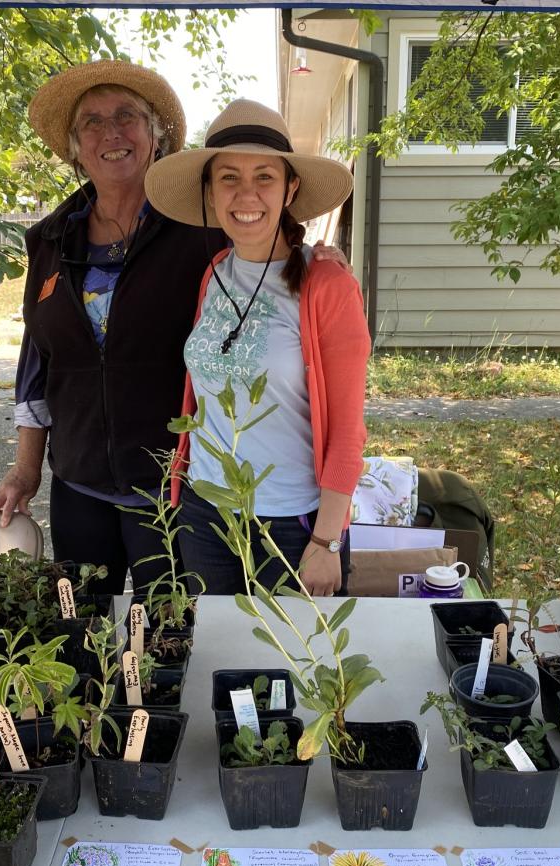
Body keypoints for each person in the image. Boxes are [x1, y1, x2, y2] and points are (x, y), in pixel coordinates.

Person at [0, 63, 347, 596]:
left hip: (173, 490)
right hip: (78, 484)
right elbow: (37, 363)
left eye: (127, 116)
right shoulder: (50, 241)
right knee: (85, 633)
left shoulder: (202, 233)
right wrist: (24, 470)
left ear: (156, 136)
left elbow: (264, 238)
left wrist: (319, 261)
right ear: (75, 148)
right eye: (92, 122)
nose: (111, 133)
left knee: (174, 644)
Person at [144, 99, 371, 597]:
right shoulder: (215, 273)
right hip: (205, 513)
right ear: (209, 190)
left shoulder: (325, 284)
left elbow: (349, 431)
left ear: (290, 188)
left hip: (292, 524)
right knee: (218, 659)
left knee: (293, 667)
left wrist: (327, 540)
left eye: (264, 176)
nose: (246, 193)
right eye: (228, 177)